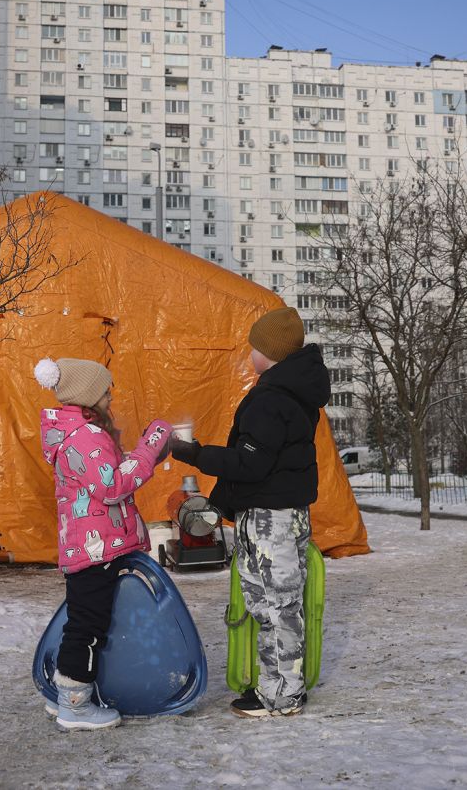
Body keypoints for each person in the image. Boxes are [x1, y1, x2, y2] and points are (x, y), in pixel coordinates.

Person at [170, 307, 328, 718]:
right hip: (279, 513)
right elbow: (264, 462)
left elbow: (250, 463)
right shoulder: (292, 393)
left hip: (270, 519)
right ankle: (278, 686)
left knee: (276, 605)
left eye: (254, 347)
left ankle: (282, 696)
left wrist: (196, 454)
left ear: (269, 352)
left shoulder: (273, 398)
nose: (250, 354)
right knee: (270, 603)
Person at [34, 357, 171, 730]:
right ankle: (74, 705)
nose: (110, 396)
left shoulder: (76, 433)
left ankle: (65, 694)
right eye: (105, 390)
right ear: (88, 395)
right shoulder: (87, 436)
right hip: (96, 551)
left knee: (82, 621)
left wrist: (145, 455)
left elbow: (106, 472)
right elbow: (112, 486)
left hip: (88, 547)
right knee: (88, 626)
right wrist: (150, 448)